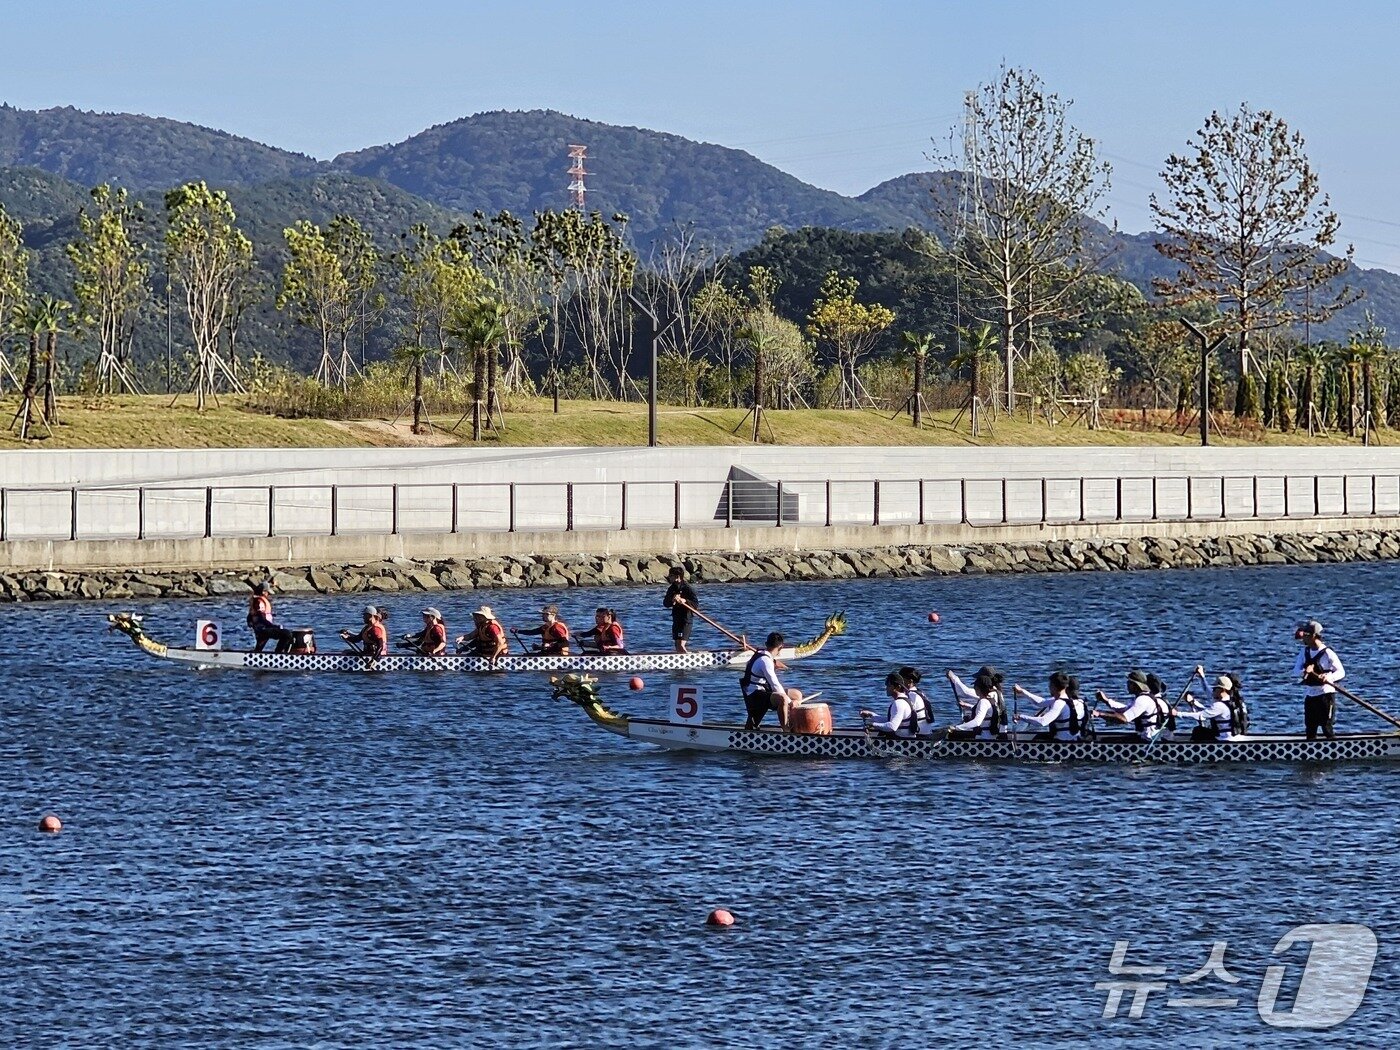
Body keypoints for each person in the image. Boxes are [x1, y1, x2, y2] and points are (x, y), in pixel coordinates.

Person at [1294, 620, 1344, 740]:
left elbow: (1341, 672)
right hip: (1310, 696)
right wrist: (1305, 672)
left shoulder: (1327, 653)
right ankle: (1310, 753)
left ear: (1314, 636)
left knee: (1326, 727)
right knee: (1310, 729)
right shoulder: (1304, 651)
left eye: (1305, 636)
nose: (1303, 639)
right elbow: (1296, 670)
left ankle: (1333, 750)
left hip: (1325, 695)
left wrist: (1328, 677)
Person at [741, 632, 799, 730]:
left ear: (766, 644)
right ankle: (786, 729)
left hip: (763, 691)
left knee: (797, 695)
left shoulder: (761, 654)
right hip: (755, 695)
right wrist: (790, 703)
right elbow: (775, 685)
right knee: (783, 698)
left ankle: (796, 725)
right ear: (780, 647)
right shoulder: (765, 661)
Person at [1096, 669, 1173, 741]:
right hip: (1156, 738)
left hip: (1150, 741)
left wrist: (1099, 714)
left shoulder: (1143, 700)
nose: (1127, 685)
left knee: (1106, 741)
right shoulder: (1146, 698)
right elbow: (1125, 709)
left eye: (1129, 683)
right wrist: (1106, 701)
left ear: (1136, 685)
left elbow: (1124, 718)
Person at [1174, 674, 1249, 741]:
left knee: (1198, 731)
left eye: (1215, 688)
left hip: (1225, 740)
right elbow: (1208, 711)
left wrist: (1177, 713)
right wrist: (1193, 702)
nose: (1212, 690)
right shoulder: (1239, 703)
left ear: (1222, 690)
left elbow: (1200, 716)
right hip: (1239, 738)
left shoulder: (1219, 706)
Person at [1013, 672, 1085, 741]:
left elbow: (1043, 722)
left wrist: (1021, 717)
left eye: (1050, 685)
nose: (1048, 687)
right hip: (1074, 741)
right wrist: (1022, 691)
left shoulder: (1059, 703)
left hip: (1062, 744)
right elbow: (1040, 702)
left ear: (1054, 687)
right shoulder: (1075, 701)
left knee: (1036, 739)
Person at [945, 665, 1007, 739]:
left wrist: (953, 678)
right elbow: (988, 711)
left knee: (952, 735)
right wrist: (967, 705)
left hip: (988, 736)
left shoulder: (989, 694)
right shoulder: (997, 692)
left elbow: (965, 692)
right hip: (996, 732)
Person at [862, 672, 920, 737]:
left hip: (902, 743)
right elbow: (892, 720)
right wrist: (872, 715)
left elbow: (892, 727)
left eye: (888, 685)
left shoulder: (899, 703)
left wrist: (873, 725)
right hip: (907, 740)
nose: (886, 688)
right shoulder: (905, 700)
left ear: (898, 687)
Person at [246, 581, 294, 653]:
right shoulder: (259, 601)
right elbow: (260, 616)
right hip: (263, 629)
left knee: (258, 650)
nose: (268, 594)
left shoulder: (257, 601)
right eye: (267, 592)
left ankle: (258, 653)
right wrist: (272, 626)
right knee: (287, 634)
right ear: (263, 592)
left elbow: (251, 616)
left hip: (262, 628)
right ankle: (278, 654)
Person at [663, 566, 700, 653]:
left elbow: (695, 604)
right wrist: (672, 600)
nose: (669, 577)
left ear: (677, 576)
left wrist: (684, 600)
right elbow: (665, 603)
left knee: (681, 645)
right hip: (676, 618)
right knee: (677, 644)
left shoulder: (687, 588)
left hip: (686, 619)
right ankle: (680, 661)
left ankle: (688, 660)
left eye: (671, 575)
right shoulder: (671, 588)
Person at [899, 666, 936, 735]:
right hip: (926, 729)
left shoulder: (911, 695)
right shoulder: (919, 692)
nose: (898, 682)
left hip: (918, 733)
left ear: (910, 681)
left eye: (901, 679)